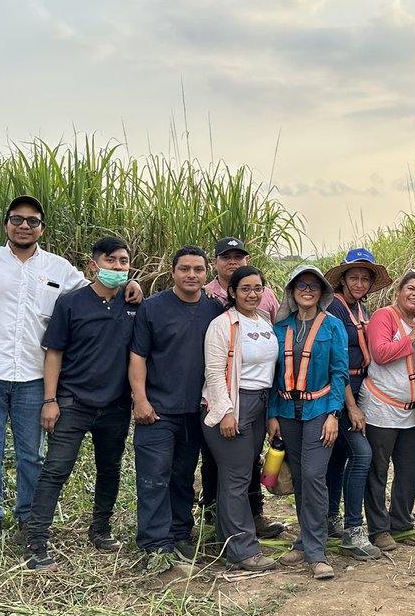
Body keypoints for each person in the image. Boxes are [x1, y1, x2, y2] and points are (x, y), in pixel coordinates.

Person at [0, 195, 142, 558]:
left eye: (33, 221)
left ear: (42, 227)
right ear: (6, 224)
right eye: (17, 219)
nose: (24, 225)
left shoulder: (60, 270)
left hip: (32, 376)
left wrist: (131, 282)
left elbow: (102, 285)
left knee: (31, 456)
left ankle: (29, 521)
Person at [23, 237, 138, 571]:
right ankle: (37, 542)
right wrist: (50, 400)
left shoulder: (132, 306)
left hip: (116, 405)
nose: (117, 267)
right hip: (73, 402)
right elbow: (54, 353)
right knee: (56, 469)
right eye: (111, 260)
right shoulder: (71, 303)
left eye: (123, 261)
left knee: (110, 468)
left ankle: (101, 528)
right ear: (93, 264)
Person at [129, 246, 224, 573]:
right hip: (157, 410)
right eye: (185, 269)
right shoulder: (152, 309)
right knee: (154, 478)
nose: (192, 275)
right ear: (173, 272)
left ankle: (180, 532)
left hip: (195, 411)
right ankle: (156, 544)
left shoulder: (214, 310)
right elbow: (138, 357)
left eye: (198, 269)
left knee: (183, 476)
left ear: (207, 274)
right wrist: (140, 399)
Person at [269, 266, 348, 579]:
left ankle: (317, 552)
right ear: (292, 291)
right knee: (300, 478)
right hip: (288, 412)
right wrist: (272, 414)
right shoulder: (281, 328)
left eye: (314, 286)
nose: (307, 290)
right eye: (301, 285)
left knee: (315, 477)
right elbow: (272, 376)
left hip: (319, 411)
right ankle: (304, 540)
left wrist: (334, 414)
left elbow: (339, 373)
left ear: (322, 292)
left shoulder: (332, 326)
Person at [204, 235, 284, 539]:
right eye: (245, 289)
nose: (252, 294)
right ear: (232, 292)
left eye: (257, 289)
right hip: (234, 403)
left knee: (244, 470)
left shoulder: (264, 321)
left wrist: (271, 412)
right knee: (235, 475)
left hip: (260, 403)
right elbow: (214, 372)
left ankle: (233, 533)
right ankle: (240, 546)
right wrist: (225, 411)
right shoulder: (223, 322)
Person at [323, 248, 390, 560]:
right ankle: (353, 529)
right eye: (355, 277)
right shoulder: (334, 308)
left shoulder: (360, 307)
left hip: (358, 386)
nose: (360, 282)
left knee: (338, 458)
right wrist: (350, 406)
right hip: (340, 389)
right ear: (344, 279)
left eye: (365, 278)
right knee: (361, 455)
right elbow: (336, 363)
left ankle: (328, 519)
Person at [361, 271, 415, 551]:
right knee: (378, 470)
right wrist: (413, 336)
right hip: (381, 406)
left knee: (409, 467)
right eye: (410, 288)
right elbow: (380, 353)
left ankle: (401, 523)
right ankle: (378, 529)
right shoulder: (385, 316)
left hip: (411, 411)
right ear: (398, 292)